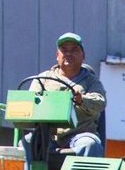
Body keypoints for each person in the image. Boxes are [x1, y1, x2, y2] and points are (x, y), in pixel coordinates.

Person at [26, 31, 107, 160]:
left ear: (83, 55)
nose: (68, 54)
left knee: (90, 144)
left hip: (80, 135)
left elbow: (100, 102)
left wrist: (82, 100)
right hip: (49, 137)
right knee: (27, 143)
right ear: (57, 56)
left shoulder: (91, 81)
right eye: (64, 50)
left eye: (74, 50)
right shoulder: (43, 79)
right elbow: (29, 104)